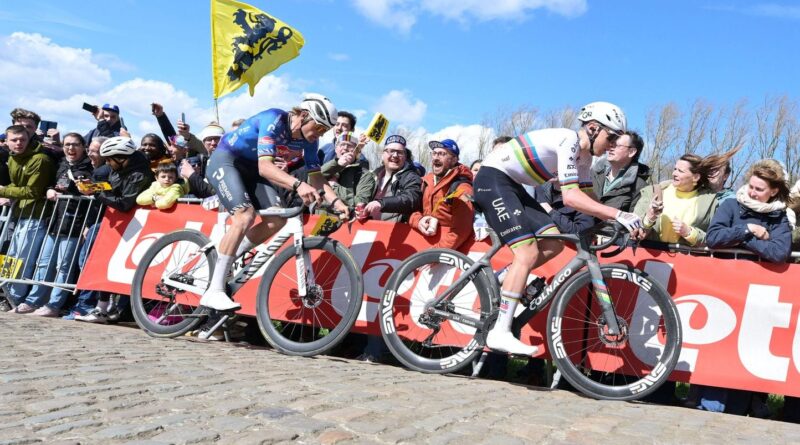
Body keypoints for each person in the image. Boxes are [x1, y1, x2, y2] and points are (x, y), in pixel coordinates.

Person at [473, 101, 641, 355]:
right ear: (594, 128)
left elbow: (588, 199)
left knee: (554, 243)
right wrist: (618, 213)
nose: (612, 145)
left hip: (514, 187)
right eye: (612, 137)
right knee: (527, 253)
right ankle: (500, 332)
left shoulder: (584, 159)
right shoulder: (568, 141)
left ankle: (504, 277)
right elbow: (571, 198)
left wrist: (617, 221)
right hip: (493, 180)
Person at [201, 94, 348, 311]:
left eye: (324, 131)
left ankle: (231, 253)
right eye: (319, 128)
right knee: (245, 216)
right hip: (227, 160)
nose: (320, 134)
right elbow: (265, 168)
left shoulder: (309, 141)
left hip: (251, 170)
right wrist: (298, 185)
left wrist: (337, 202)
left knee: (277, 220)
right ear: (305, 116)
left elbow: (316, 177)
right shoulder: (275, 119)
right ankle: (214, 291)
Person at [75, 136, 154, 323]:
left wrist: (96, 193)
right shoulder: (119, 168)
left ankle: (110, 309)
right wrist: (93, 187)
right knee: (105, 262)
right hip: (119, 224)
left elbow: (124, 203)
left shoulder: (139, 174)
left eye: (110, 159)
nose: (108, 164)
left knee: (119, 266)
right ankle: (105, 308)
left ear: (121, 157)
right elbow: (112, 191)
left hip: (135, 225)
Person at [25, 133, 94, 316]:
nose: (70, 148)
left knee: (63, 267)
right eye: (67, 145)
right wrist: (49, 189)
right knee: (43, 263)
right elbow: (52, 184)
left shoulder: (90, 167)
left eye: (75, 145)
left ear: (83, 146)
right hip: (55, 220)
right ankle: (33, 301)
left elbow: (92, 198)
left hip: (74, 222)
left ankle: (54, 305)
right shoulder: (62, 164)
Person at [634, 149, 738, 247]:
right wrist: (649, 218)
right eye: (675, 169)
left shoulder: (711, 202)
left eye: (681, 171)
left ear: (696, 177)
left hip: (686, 261)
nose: (674, 173)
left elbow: (715, 238)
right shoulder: (653, 192)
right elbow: (634, 230)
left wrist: (690, 233)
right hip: (649, 257)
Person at [409, 139, 475, 251]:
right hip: (420, 246)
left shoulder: (462, 188)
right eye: (434, 153)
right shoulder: (425, 182)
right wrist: (418, 221)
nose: (436, 158)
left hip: (446, 254)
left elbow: (461, 231)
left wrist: (435, 253)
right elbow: (411, 211)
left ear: (454, 159)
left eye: (442, 154)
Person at [363, 135, 422, 223]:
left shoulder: (411, 177)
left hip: (393, 232)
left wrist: (381, 203)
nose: (395, 155)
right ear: (382, 155)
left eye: (400, 152)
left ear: (405, 157)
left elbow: (411, 199)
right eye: (391, 151)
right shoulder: (372, 176)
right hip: (367, 230)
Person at [591, 130, 650, 212]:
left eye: (617, 145)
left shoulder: (639, 187)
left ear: (631, 152)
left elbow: (633, 221)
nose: (610, 148)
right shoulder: (592, 173)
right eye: (611, 143)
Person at [320, 132, 375, 210]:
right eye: (342, 144)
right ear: (336, 149)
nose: (345, 148)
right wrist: (337, 164)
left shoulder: (364, 175)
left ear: (357, 151)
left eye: (350, 145)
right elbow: (311, 180)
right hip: (318, 219)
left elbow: (361, 203)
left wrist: (335, 187)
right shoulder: (328, 168)